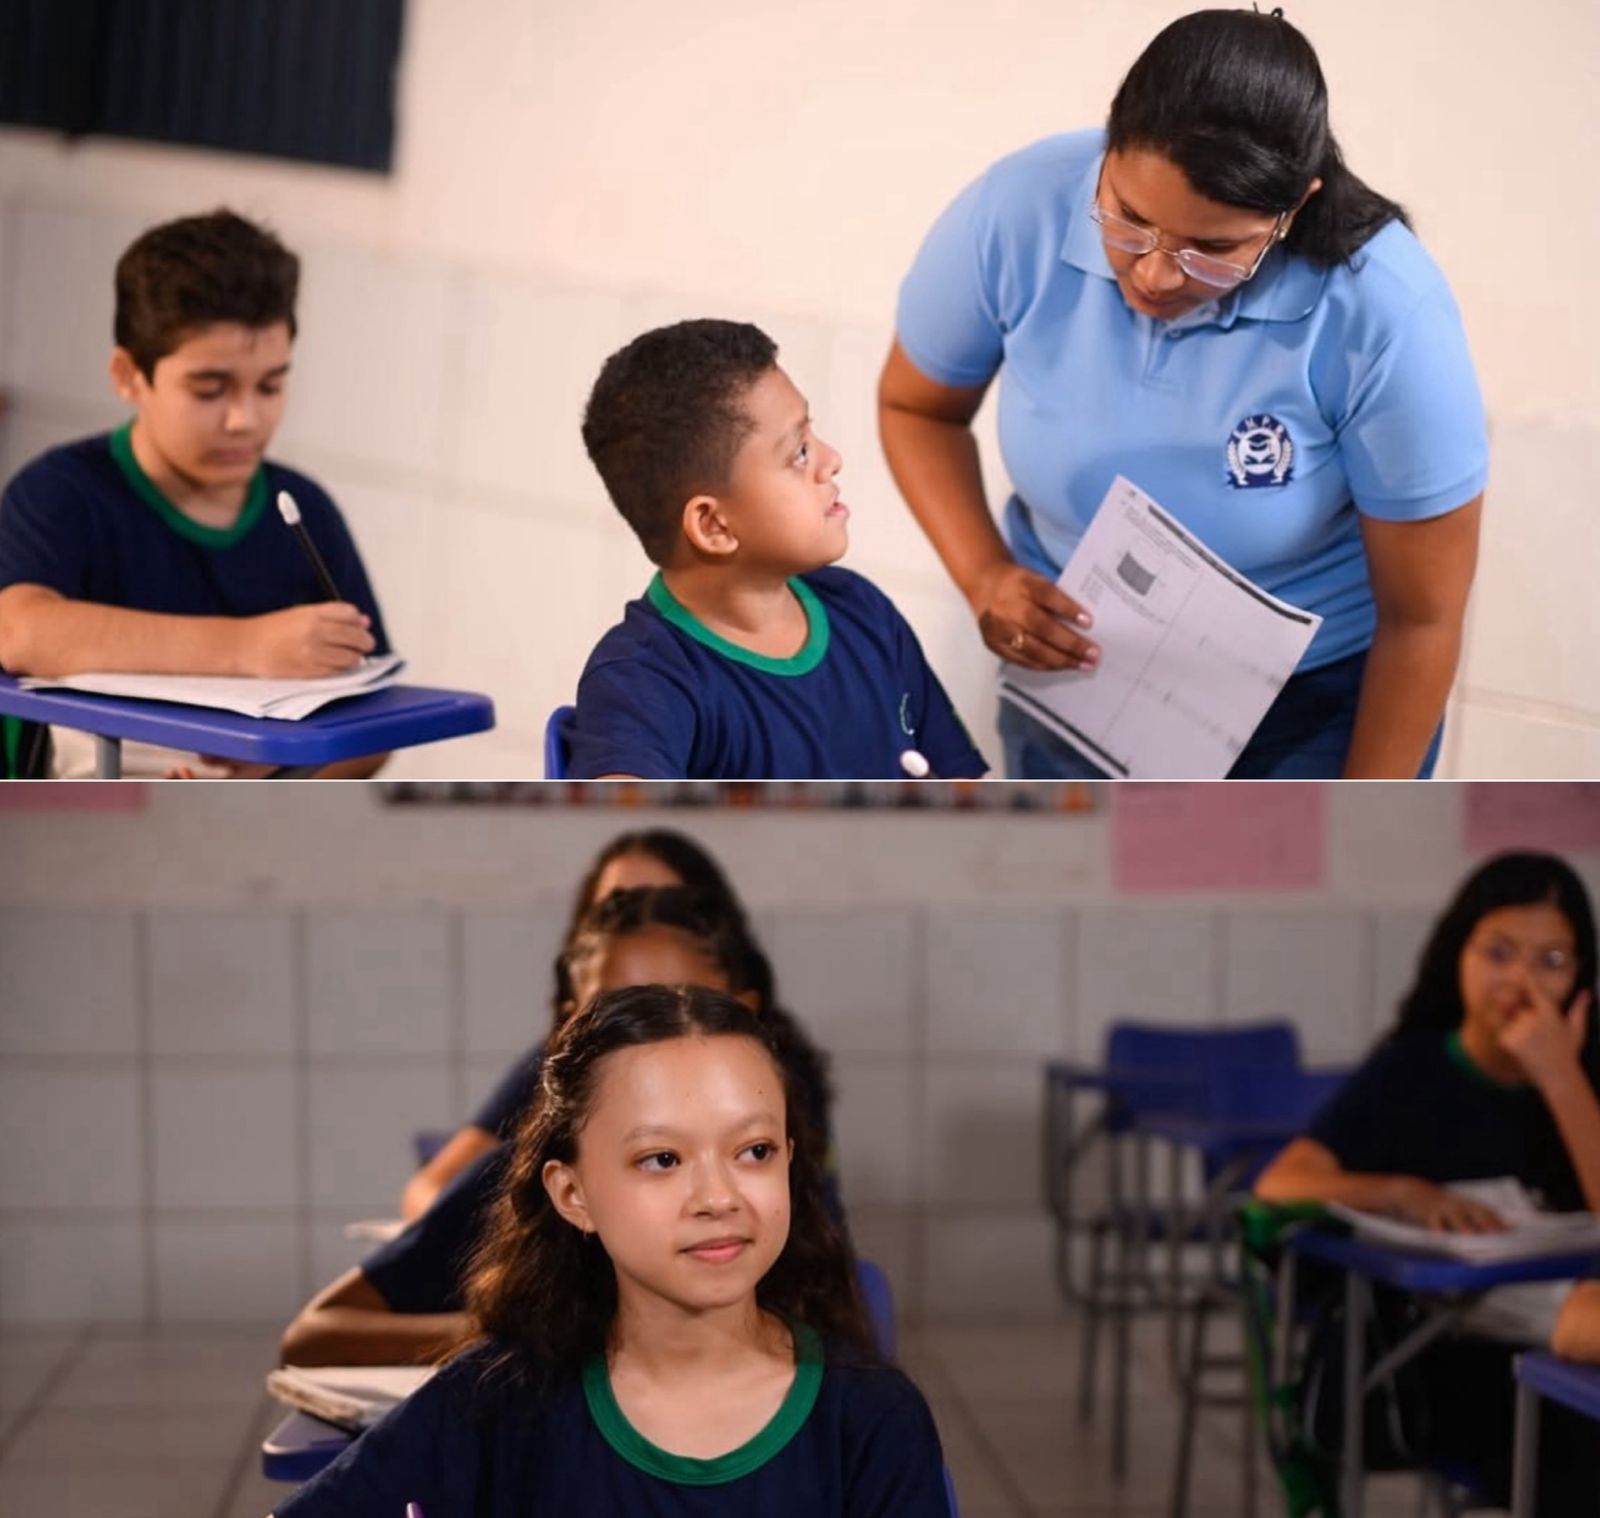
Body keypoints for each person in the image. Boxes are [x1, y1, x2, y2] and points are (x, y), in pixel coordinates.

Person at [880, 8, 1486, 779]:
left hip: (1312, 711)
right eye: (1129, 220)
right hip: (1077, 676)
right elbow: (914, 409)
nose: (1157, 273)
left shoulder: (1386, 311)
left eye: (1213, 248)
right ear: (1108, 149)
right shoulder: (1017, 209)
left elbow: (1423, 617)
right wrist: (985, 577)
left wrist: (1365, 819)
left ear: (1293, 209)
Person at [272, 984, 949, 1516]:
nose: (718, 1197)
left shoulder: (869, 1419)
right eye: (661, 1159)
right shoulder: (496, 1402)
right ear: (573, 1195)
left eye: (754, 1152)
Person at [282, 886, 836, 1367]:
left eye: (756, 1151)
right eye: (623, 1018)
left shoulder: (786, 1212)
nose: (716, 1198)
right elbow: (314, 1336)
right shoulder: (513, 1180)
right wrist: (534, 1341)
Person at [1255, 852, 1600, 1513]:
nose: (1521, 982)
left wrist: (1560, 1074)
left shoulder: (1584, 1070)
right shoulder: (1414, 1070)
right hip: (1459, 1356)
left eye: (1551, 962)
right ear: (1458, 955)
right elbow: (1281, 1185)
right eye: (1499, 953)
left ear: (1581, 977)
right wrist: (1404, 1192)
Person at [0, 209, 390, 779]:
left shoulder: (305, 512)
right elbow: (20, 631)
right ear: (130, 375)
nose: (245, 419)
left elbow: (372, 734)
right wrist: (247, 647)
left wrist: (277, 776)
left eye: (271, 385)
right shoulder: (63, 494)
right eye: (210, 389)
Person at [567, 318, 986, 779]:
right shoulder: (643, 680)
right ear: (714, 525)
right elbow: (617, 835)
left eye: (813, 435)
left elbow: (963, 789)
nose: (831, 460)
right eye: (799, 453)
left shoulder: (860, 610)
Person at [401, 829, 755, 1219]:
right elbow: (434, 1190)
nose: (638, 924)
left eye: (757, 1152)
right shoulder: (564, 1064)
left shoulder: (767, 1077)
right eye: (615, 908)